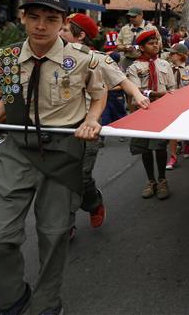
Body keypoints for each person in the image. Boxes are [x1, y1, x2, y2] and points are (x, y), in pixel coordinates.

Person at [0, 0, 106, 315]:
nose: (41, 25)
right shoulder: (8, 57)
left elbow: (98, 94)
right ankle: (13, 299)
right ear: (22, 17)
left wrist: (92, 121)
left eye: (51, 19)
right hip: (19, 148)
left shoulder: (81, 59)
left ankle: (48, 303)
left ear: (63, 22)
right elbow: (9, 101)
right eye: (34, 17)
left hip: (64, 150)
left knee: (54, 234)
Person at [61, 13, 150, 232]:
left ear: (80, 35)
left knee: (81, 177)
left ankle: (93, 202)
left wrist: (138, 96)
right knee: (60, 179)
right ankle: (65, 224)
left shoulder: (98, 59)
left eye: (64, 30)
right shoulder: (50, 57)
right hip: (57, 126)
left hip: (87, 126)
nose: (59, 33)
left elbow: (123, 81)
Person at [126, 30, 175, 199]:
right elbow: (136, 90)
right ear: (141, 47)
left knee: (160, 147)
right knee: (144, 148)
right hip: (142, 112)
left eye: (157, 42)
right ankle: (150, 180)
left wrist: (167, 101)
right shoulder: (134, 67)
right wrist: (156, 94)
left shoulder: (164, 65)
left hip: (161, 112)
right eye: (151, 43)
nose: (155, 45)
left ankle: (162, 180)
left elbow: (171, 88)